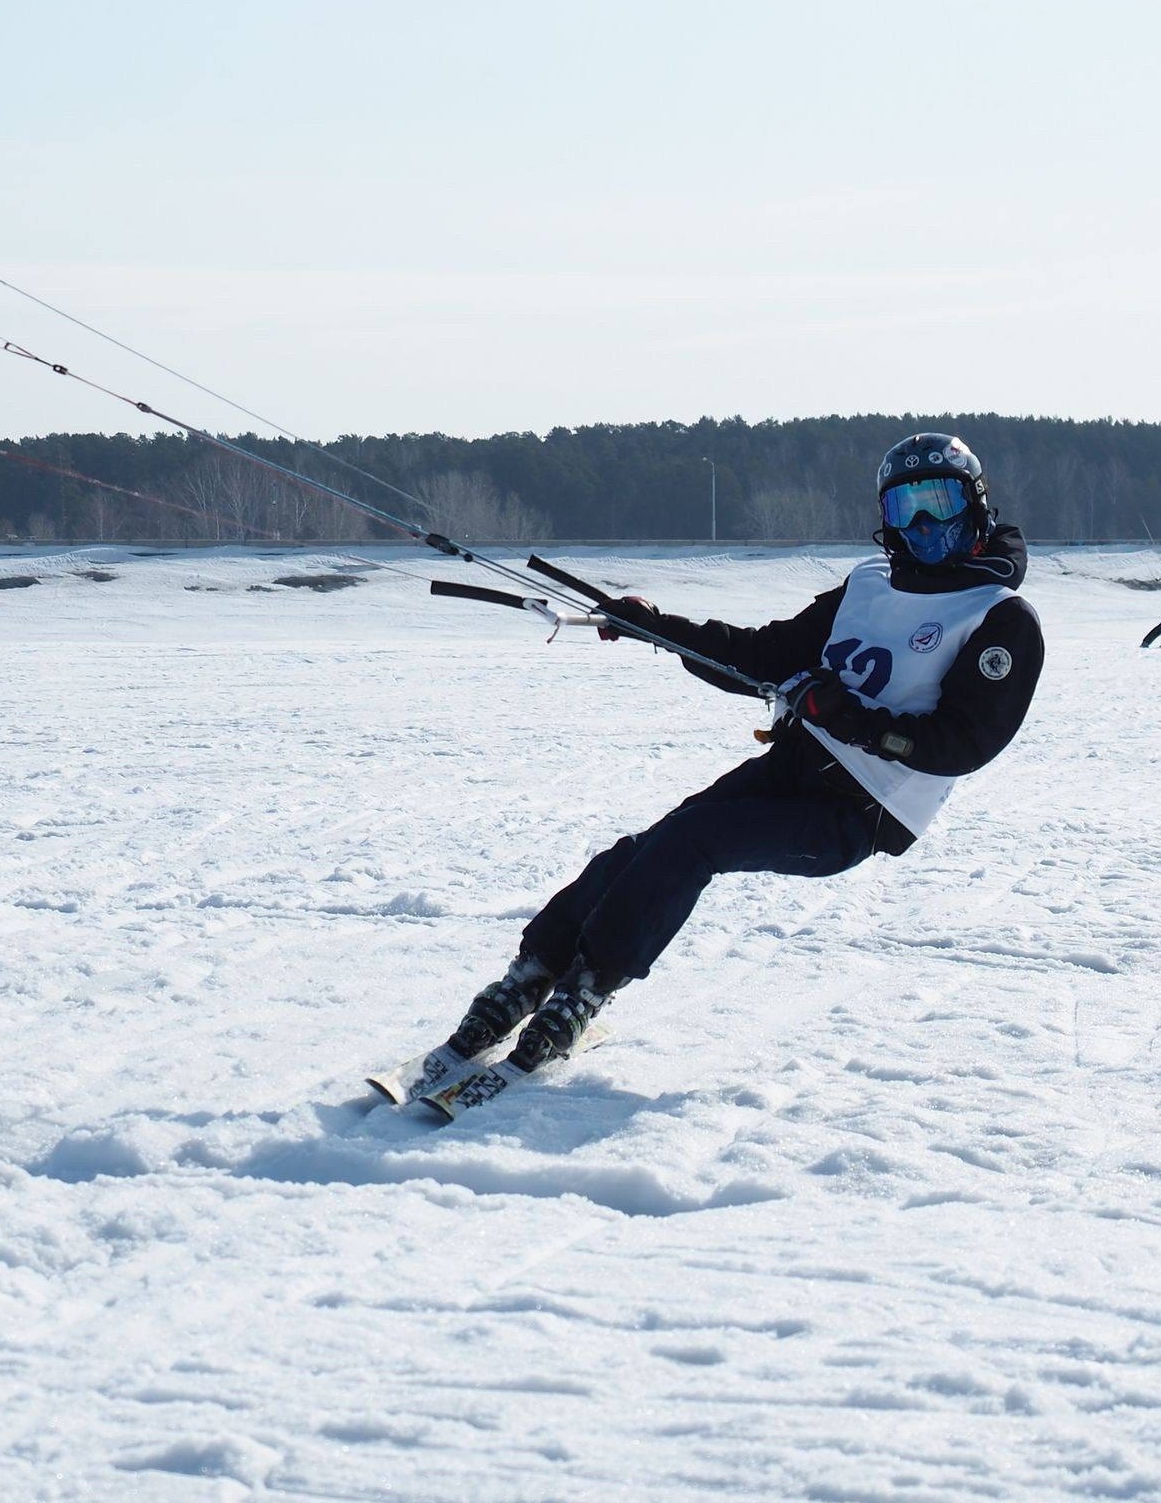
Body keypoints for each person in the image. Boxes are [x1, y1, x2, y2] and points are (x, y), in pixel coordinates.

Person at [446, 433, 1044, 1073]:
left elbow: (963, 744)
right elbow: (764, 657)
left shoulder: (1000, 618)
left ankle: (589, 986)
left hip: (862, 811)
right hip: (794, 766)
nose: (925, 525)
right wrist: (658, 627)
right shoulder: (869, 582)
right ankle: (532, 972)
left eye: (940, 503)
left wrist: (850, 718)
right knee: (648, 846)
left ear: (975, 504)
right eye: (906, 509)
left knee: (692, 841)